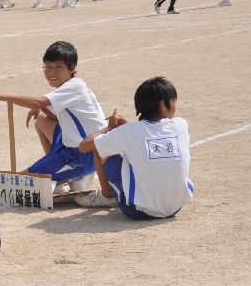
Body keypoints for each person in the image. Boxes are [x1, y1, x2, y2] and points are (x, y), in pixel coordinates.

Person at [0, 40, 106, 191]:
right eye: (47, 66)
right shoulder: (70, 86)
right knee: (41, 120)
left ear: (71, 68)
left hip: (84, 155)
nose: (51, 72)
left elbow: (37, 101)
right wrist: (41, 108)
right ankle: (57, 173)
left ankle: (69, 175)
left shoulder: (75, 87)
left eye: (58, 67)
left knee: (17, 183)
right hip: (79, 147)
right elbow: (53, 115)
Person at [75, 75, 193, 217]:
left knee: (100, 148)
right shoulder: (180, 125)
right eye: (174, 101)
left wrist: (109, 128)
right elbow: (150, 133)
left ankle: (107, 197)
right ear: (162, 105)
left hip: (138, 211)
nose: (175, 106)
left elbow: (84, 146)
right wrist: (127, 128)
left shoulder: (129, 131)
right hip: (175, 206)